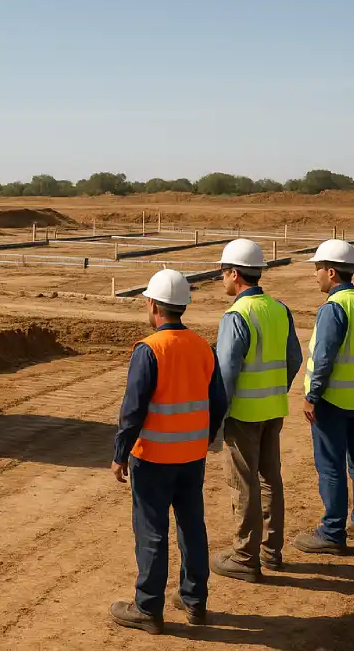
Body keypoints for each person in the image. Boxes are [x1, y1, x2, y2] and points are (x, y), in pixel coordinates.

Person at [110, 269, 228, 634]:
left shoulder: (150, 350)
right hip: (191, 457)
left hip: (153, 458)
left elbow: (133, 409)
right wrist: (204, 438)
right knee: (192, 526)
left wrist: (120, 453)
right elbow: (218, 401)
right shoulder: (203, 347)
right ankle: (195, 602)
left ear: (153, 305)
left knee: (151, 532)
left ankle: (148, 609)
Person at [211, 239, 303, 582]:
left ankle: (245, 556)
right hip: (273, 408)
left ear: (235, 273)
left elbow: (226, 373)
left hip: (243, 414)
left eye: (223, 272)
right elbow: (294, 359)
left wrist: (216, 419)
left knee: (243, 483)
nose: (222, 279)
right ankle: (271, 551)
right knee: (270, 480)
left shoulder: (237, 315)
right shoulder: (279, 309)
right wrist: (277, 390)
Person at [293, 239, 354, 554]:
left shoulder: (334, 309)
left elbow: (324, 357)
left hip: (331, 402)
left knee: (331, 465)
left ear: (331, 272)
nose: (316, 275)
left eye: (318, 269)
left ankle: (332, 532)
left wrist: (312, 395)